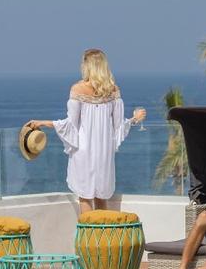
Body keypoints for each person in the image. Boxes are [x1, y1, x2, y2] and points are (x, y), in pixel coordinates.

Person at [29, 48, 146, 213]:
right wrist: (134, 119)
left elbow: (70, 125)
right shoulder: (113, 90)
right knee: (101, 197)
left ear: (87, 66)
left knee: (85, 197)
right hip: (104, 152)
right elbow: (118, 127)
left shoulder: (78, 89)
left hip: (83, 151)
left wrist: (43, 122)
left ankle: (88, 231)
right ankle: (102, 230)